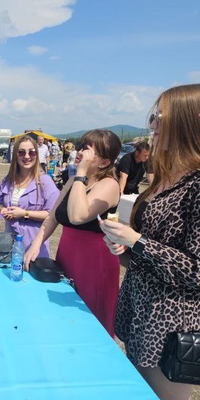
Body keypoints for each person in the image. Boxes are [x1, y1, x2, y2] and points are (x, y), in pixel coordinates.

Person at [100, 84, 200, 400]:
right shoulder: (170, 173)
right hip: (142, 308)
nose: (153, 125)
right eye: (153, 117)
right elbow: (156, 247)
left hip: (173, 320)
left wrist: (139, 242)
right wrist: (127, 247)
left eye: (160, 117)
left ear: (192, 119)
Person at [24, 129, 122, 335]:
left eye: (86, 151)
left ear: (104, 162)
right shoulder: (73, 181)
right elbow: (53, 217)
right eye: (80, 147)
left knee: (90, 321)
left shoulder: (109, 185)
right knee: (64, 315)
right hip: (68, 253)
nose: (78, 153)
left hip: (94, 261)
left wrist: (80, 175)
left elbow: (79, 215)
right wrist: (36, 244)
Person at [0, 134, 60, 255]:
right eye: (21, 152)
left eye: (31, 153)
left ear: (37, 154)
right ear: (15, 155)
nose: (27, 156)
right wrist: (2, 209)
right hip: (10, 245)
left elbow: (52, 215)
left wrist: (24, 214)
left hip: (34, 247)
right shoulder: (8, 180)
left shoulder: (45, 182)